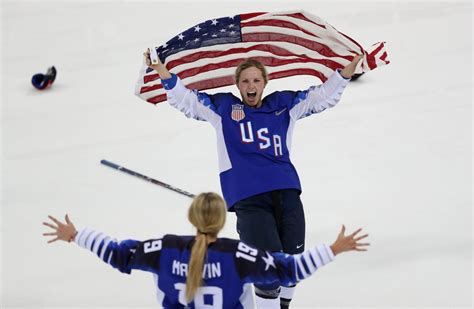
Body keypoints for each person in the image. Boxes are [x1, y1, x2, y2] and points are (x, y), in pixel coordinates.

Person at [144, 51, 363, 308]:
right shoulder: (224, 109)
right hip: (250, 199)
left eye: (256, 81)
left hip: (288, 194)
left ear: (265, 84)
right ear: (237, 85)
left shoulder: (283, 106)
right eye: (245, 81)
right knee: (267, 268)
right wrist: (162, 71)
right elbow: (187, 101)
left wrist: (347, 70)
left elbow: (321, 97)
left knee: (291, 264)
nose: (251, 86)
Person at [43, 192, 369, 308]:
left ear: (192, 217)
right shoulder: (237, 256)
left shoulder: (165, 249)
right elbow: (289, 270)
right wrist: (334, 249)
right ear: (222, 221)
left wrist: (77, 235)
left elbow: (119, 255)